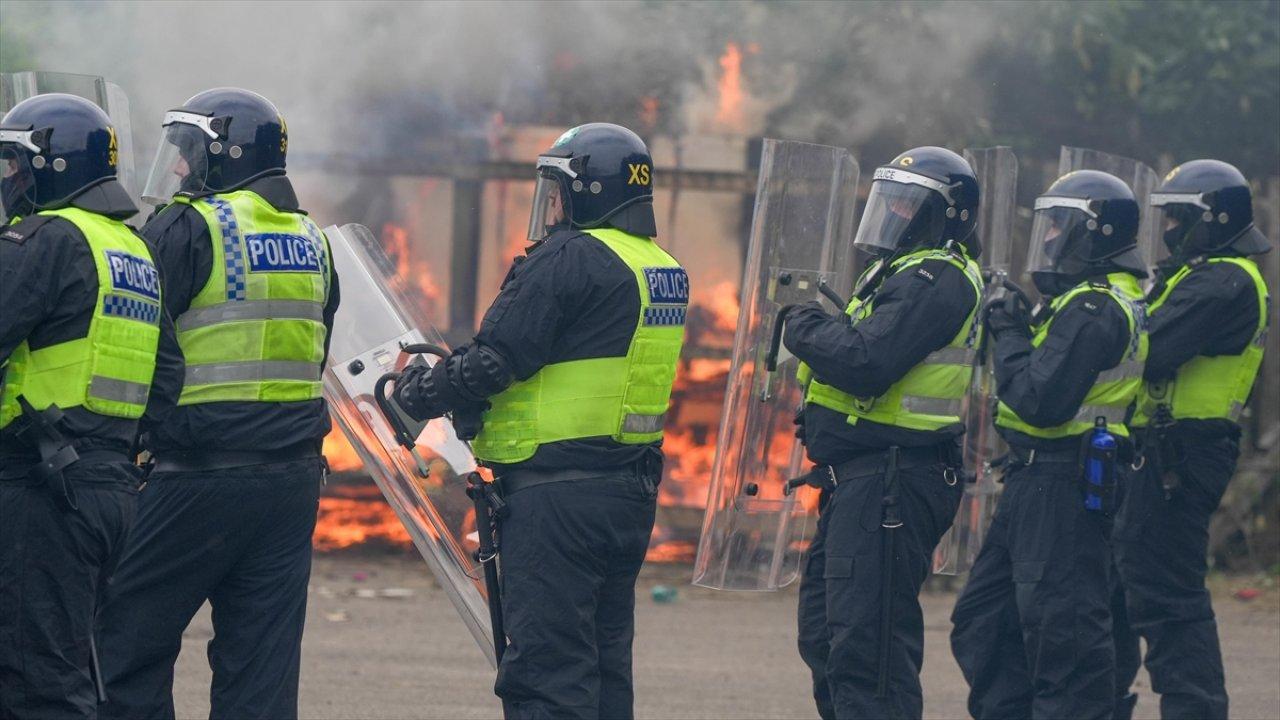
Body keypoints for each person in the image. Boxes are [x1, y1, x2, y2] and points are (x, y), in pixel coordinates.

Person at [392, 123, 687, 719]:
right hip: (626, 491)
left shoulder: (569, 257)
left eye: (557, 190)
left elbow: (497, 360)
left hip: (556, 498)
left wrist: (417, 394)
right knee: (603, 669)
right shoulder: (659, 266)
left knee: (546, 674)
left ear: (588, 192)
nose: (550, 206)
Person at [96, 88, 340, 720]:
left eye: (189, 154)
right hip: (290, 481)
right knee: (260, 666)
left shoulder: (191, 224)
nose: (178, 169)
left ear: (225, 153)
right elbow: (315, 353)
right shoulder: (313, 239)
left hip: (198, 473)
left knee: (123, 641)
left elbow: (136, 338)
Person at [783, 147, 983, 719]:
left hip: (895, 480)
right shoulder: (896, 272)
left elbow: (867, 360)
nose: (892, 215)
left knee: (869, 654)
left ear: (947, 214)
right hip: (863, 479)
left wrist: (803, 326)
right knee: (826, 636)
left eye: (906, 204)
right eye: (887, 201)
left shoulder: (937, 277)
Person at [0, 93, 178, 719]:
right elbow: (167, 380)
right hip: (108, 488)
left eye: (16, 164)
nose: (10, 179)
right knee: (68, 665)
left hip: (37, 487)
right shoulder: (132, 251)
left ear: (52, 166)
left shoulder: (45, 240)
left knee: (33, 684)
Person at [950, 170, 1149, 720]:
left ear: (1098, 233)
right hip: (1035, 479)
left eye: (1063, 226)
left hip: (1067, 481)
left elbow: (1041, 399)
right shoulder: (1077, 301)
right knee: (985, 620)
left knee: (1064, 636)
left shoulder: (1096, 307)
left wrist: (1009, 331)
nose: (1051, 239)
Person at [1113, 159, 1271, 720]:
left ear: (1215, 218)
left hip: (1182, 454)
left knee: (1167, 597)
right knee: (1124, 588)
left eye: (1181, 217)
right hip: (1156, 451)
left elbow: (1150, 346)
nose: (1171, 228)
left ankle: (1196, 710)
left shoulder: (1225, 279)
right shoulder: (1192, 275)